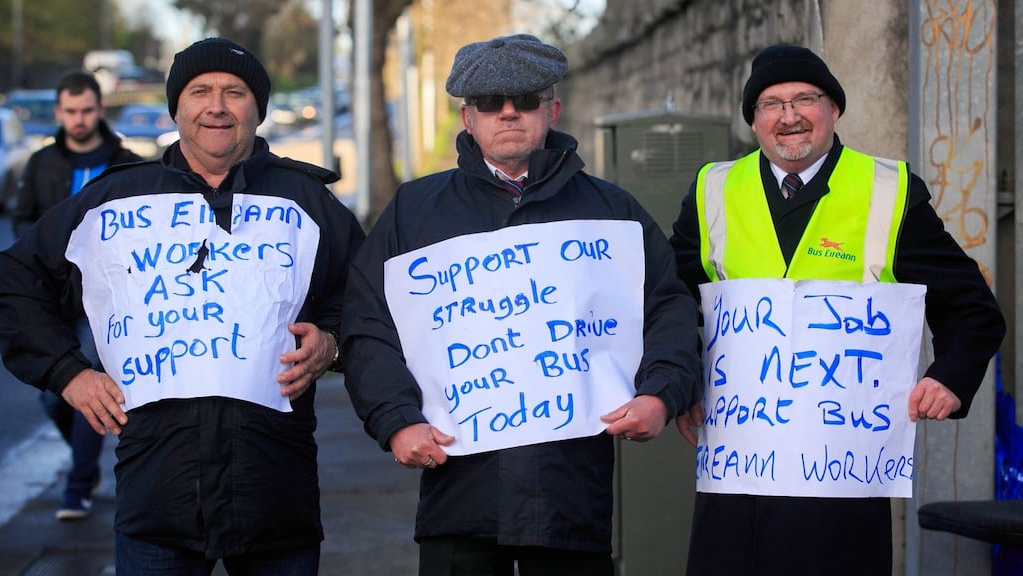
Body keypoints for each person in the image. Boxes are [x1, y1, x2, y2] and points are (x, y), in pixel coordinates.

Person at [0, 37, 365, 574]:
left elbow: (370, 298)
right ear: (177, 107)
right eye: (200, 91)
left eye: (234, 92)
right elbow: (15, 278)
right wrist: (66, 373)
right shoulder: (116, 200)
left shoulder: (305, 201)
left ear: (257, 110)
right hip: (156, 497)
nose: (217, 106)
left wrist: (332, 344)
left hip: (274, 493)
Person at [339, 34, 702, 575]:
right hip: (458, 496)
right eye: (490, 103)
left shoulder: (612, 211)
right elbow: (367, 327)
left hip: (571, 498)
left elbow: (667, 310)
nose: (508, 113)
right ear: (468, 118)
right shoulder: (413, 212)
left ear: (552, 110)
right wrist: (396, 422)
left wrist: (661, 394)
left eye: (526, 101)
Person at [670, 43, 1006, 576]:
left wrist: (950, 377)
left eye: (806, 98)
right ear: (753, 121)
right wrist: (681, 382)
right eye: (771, 104)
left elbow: (973, 307)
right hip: (739, 464)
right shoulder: (714, 189)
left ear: (834, 110)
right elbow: (674, 300)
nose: (789, 116)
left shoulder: (888, 190)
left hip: (842, 464)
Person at [11, 69, 143, 521]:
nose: (78, 119)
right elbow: (22, 220)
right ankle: (85, 467)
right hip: (52, 297)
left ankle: (78, 484)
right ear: (60, 112)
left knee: (89, 381)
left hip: (105, 300)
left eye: (86, 110)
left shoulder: (127, 162)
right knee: (53, 394)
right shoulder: (42, 163)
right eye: (70, 111)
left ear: (99, 109)